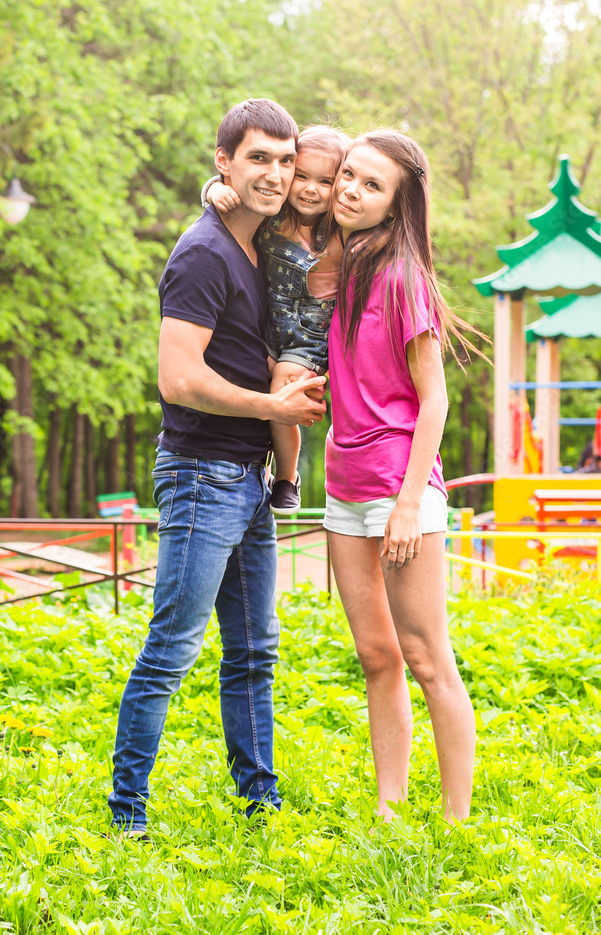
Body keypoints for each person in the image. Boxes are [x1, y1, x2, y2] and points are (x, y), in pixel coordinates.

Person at [108, 99, 327, 839]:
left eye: (283, 158)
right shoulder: (203, 254)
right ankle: (126, 814)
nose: (274, 172)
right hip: (202, 473)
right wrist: (274, 409)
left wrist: (274, 432)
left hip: (249, 479)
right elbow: (178, 379)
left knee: (253, 653)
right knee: (172, 646)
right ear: (223, 162)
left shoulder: (258, 242)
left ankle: (258, 805)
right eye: (256, 157)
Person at [323, 129, 482, 822]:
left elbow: (434, 397)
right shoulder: (341, 265)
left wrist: (408, 504)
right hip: (342, 482)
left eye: (370, 185)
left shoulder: (402, 276)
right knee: (374, 656)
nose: (350, 190)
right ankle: (388, 810)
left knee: (425, 657)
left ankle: (455, 817)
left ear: (395, 205)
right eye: (347, 176)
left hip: (397, 486)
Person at [203, 126, 348, 515]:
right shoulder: (273, 212)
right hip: (265, 321)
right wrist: (213, 190)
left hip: (307, 337)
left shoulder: (338, 229)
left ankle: (286, 476)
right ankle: (248, 465)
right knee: (244, 375)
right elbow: (230, 192)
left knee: (282, 390)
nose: (310, 189)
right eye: (301, 175)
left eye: (325, 181)